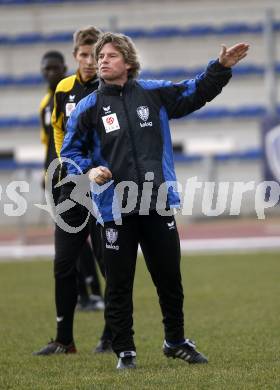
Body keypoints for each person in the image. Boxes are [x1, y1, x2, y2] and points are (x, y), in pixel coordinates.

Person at [61, 32, 249, 369]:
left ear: (129, 62)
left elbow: (194, 92)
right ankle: (125, 351)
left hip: (157, 200)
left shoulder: (153, 92)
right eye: (100, 55)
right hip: (115, 207)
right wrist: (90, 171)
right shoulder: (88, 108)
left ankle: (175, 341)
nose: (102, 60)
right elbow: (69, 153)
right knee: (119, 284)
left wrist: (220, 68)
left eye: (110, 55)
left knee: (169, 279)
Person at [33, 27, 112, 356]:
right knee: (63, 264)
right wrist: (65, 167)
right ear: (75, 56)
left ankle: (112, 336)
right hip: (72, 188)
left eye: (94, 56)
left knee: (112, 265)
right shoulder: (63, 90)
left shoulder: (112, 88)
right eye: (82, 55)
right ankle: (64, 340)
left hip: (107, 187)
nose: (89, 62)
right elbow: (57, 130)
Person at [39, 50, 103, 312]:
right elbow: (49, 143)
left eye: (55, 68)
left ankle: (94, 292)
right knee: (71, 237)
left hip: (85, 175)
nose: (51, 73)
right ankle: (84, 293)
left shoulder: (85, 92)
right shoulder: (49, 101)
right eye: (47, 68)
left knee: (91, 237)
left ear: (65, 66)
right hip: (58, 176)